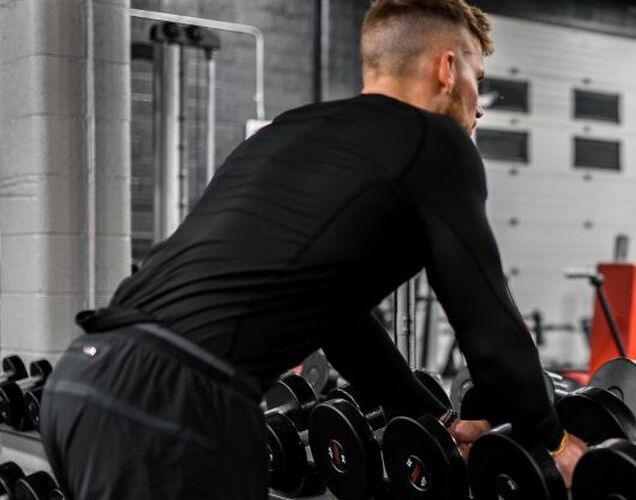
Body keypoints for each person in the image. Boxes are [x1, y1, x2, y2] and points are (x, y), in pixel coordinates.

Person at [39, 1, 584, 498]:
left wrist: (430, 419)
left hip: (82, 379)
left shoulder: (286, 132)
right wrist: (554, 440)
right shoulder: (434, 143)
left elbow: (340, 323)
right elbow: (486, 319)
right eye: (477, 78)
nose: (479, 105)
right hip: (176, 405)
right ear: (446, 69)